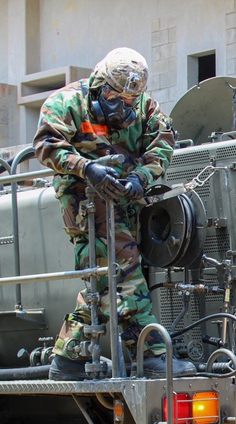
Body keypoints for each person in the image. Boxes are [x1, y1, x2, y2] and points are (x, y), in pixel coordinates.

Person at [34, 47, 195, 380]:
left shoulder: (145, 107)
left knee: (105, 277)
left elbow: (162, 146)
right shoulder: (67, 102)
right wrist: (86, 168)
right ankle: (149, 355)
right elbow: (47, 144)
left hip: (126, 198)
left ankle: (69, 357)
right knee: (122, 268)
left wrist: (142, 177)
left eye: (128, 100)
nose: (123, 105)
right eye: (114, 96)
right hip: (84, 196)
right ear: (99, 83)